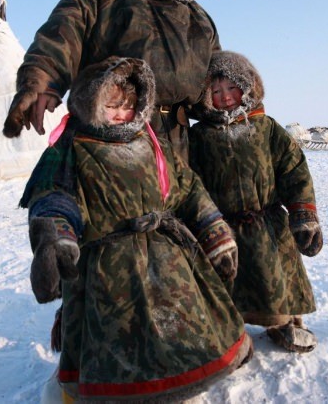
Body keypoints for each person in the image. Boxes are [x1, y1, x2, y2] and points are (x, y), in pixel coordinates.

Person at [23, 56, 252, 401]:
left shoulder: (151, 142)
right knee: (115, 345)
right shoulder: (72, 147)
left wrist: (213, 229)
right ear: (91, 102)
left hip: (166, 260)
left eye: (129, 106)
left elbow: (187, 187)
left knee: (177, 329)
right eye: (111, 104)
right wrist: (57, 239)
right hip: (106, 273)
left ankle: (178, 385)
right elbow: (55, 197)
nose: (120, 113)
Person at [2, 0, 228, 159]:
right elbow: (64, 32)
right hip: (105, 138)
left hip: (174, 149)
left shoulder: (200, 23)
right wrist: (41, 83)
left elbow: (217, 83)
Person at [188, 50, 324, 353]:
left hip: (267, 224)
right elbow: (191, 179)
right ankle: (228, 333)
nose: (224, 97)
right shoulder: (199, 136)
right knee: (225, 283)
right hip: (222, 225)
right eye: (216, 90)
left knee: (276, 279)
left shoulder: (267, 128)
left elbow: (293, 170)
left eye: (231, 88)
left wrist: (304, 213)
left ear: (247, 87)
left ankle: (286, 324)